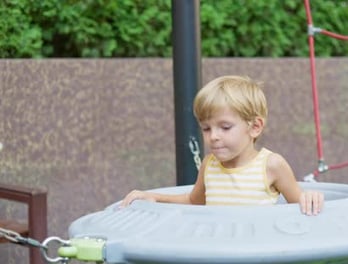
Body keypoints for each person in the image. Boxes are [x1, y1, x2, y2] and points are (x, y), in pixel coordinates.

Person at [120, 75, 324, 215]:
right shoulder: (209, 165)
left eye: (225, 127)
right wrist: (152, 197)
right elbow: (194, 201)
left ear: (255, 127)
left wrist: (310, 198)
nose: (213, 136)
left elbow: (299, 208)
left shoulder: (271, 165)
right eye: (206, 128)